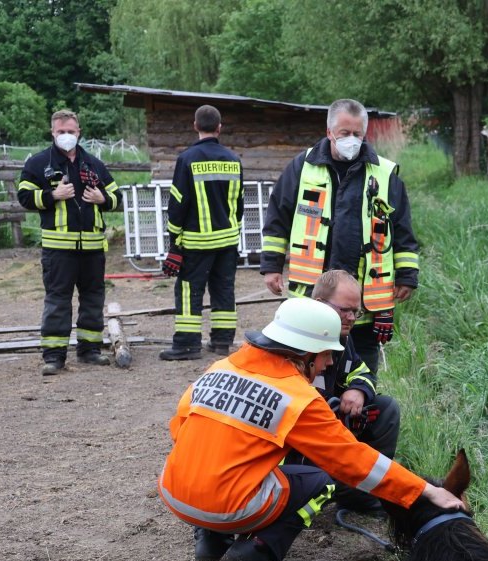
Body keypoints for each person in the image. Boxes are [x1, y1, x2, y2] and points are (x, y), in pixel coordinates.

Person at [157, 297, 464, 561]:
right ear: (304, 353)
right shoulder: (297, 398)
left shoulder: (218, 369)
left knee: (225, 462)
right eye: (327, 353)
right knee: (321, 480)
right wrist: (424, 490)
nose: (330, 363)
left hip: (174, 492)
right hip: (229, 508)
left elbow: (179, 431)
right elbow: (354, 460)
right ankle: (257, 553)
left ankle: (210, 543)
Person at [260, 98, 419, 374]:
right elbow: (278, 217)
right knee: (309, 369)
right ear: (329, 132)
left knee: (361, 375)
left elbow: (402, 227)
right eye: (345, 133)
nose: (352, 140)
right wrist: (271, 266)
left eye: (357, 134)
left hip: (363, 300)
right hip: (313, 293)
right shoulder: (303, 166)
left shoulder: (385, 174)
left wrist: (407, 274)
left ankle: (358, 413)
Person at [18, 109, 121, 376]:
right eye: (61, 132)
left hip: (93, 249)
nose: (66, 136)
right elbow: (25, 196)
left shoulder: (94, 165)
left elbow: (117, 196)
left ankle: (90, 351)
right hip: (59, 250)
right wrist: (53, 194)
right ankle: (54, 357)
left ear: (79, 133)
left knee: (92, 300)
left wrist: (104, 199)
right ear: (52, 133)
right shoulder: (39, 163)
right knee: (58, 301)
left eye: (70, 132)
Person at [307, 269, 400, 514]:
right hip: (301, 434)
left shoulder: (342, 338)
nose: (350, 318)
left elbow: (362, 371)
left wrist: (358, 391)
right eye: (344, 310)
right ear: (319, 304)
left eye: (355, 312)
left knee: (386, 408)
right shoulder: (297, 339)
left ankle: (363, 493)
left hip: (328, 426)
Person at [159, 105, 245, 361]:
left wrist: (175, 242)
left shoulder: (187, 159)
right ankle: (221, 342)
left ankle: (187, 345)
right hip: (228, 241)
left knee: (188, 291)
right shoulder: (234, 160)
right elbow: (239, 204)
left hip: (196, 242)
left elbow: (178, 203)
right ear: (220, 127)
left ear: (195, 125)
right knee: (223, 289)